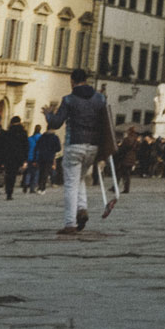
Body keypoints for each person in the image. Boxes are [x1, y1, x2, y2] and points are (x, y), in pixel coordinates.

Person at [45, 68, 114, 239]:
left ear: (72, 81)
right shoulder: (100, 98)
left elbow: (56, 123)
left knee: (71, 183)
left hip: (75, 144)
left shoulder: (69, 99)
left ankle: (70, 223)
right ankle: (82, 208)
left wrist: (48, 114)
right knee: (80, 178)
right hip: (93, 146)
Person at [0, 112, 30, 201]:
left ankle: (7, 189)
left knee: (8, 174)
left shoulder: (8, 132)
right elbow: (26, 146)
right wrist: (25, 159)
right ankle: (10, 192)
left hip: (8, 156)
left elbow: (3, 145)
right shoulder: (23, 133)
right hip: (18, 156)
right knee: (13, 175)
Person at [33, 126, 61, 191]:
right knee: (46, 171)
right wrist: (53, 150)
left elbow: (37, 146)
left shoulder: (42, 137)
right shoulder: (55, 137)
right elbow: (58, 148)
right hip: (50, 157)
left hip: (41, 156)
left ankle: (40, 185)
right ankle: (42, 187)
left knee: (41, 171)